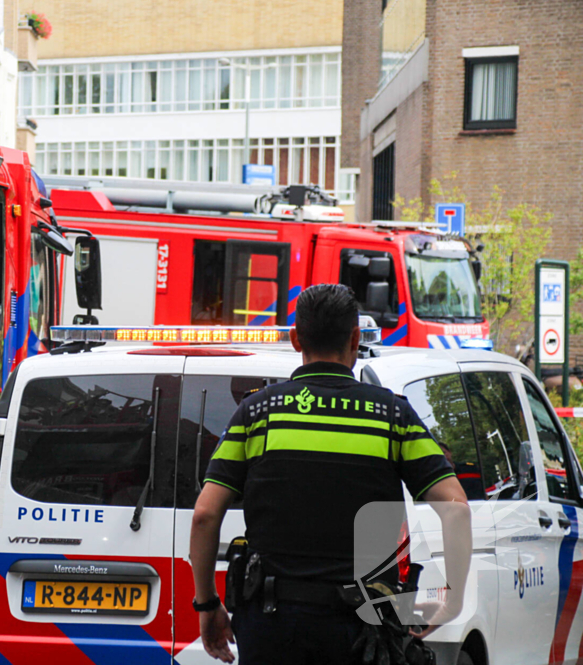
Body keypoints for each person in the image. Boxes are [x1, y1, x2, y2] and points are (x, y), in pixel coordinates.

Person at [190, 284, 471, 664]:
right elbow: (456, 508)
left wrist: (207, 604)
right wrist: (452, 601)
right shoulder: (392, 416)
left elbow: (205, 515)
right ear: (355, 338)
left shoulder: (257, 414)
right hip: (363, 629)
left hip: (271, 625)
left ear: (295, 339)